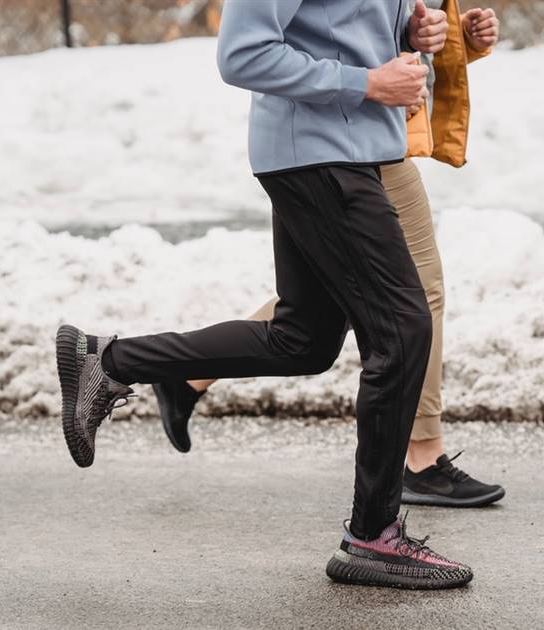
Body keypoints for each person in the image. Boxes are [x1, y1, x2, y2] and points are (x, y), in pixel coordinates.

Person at [56, 0, 474, 589]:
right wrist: (368, 82)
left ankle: (110, 360)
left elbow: (339, 24)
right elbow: (244, 53)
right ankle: (374, 536)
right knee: (403, 332)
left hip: (350, 151)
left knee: (302, 341)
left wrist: (410, 28)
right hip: (322, 154)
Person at [156, 0, 505, 510]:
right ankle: (419, 461)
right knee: (408, 298)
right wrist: (368, 82)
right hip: (329, 144)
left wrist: (439, 36)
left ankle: (178, 373)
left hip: (368, 138)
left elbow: (358, 33)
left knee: (332, 304)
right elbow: (248, 53)